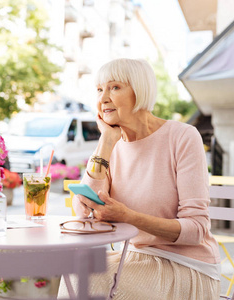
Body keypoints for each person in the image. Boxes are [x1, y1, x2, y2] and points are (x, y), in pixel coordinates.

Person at [59, 58, 221, 299]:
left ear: (140, 91)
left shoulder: (182, 137)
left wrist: (129, 218)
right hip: (132, 257)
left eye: (114, 87)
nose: (103, 98)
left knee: (92, 281)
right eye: (99, 89)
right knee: (75, 272)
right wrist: (105, 142)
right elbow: (83, 211)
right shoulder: (111, 144)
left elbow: (196, 229)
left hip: (186, 264)